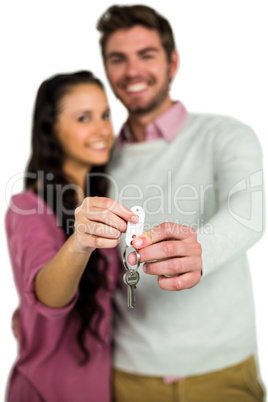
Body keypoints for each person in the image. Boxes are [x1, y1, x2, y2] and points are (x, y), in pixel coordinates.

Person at [97, 5, 265, 401]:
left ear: (173, 62)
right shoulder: (99, 162)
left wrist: (201, 247)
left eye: (147, 55)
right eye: (117, 59)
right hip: (129, 373)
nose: (132, 71)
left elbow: (250, 211)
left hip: (223, 369)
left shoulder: (225, 134)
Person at [5, 70, 140, 402]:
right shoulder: (27, 208)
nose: (102, 130)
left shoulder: (99, 199)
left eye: (105, 115)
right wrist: (80, 242)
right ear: (51, 131)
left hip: (97, 388)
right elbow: (46, 295)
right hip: (46, 391)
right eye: (84, 118)